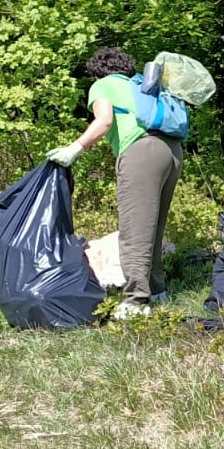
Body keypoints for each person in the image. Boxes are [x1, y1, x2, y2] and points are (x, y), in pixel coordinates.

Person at [47, 47, 183, 318]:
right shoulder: (139, 86)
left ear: (96, 73)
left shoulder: (103, 86)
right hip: (172, 151)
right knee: (153, 227)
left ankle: (135, 301)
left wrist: (75, 148)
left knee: (134, 231)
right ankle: (157, 291)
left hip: (141, 152)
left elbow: (104, 121)